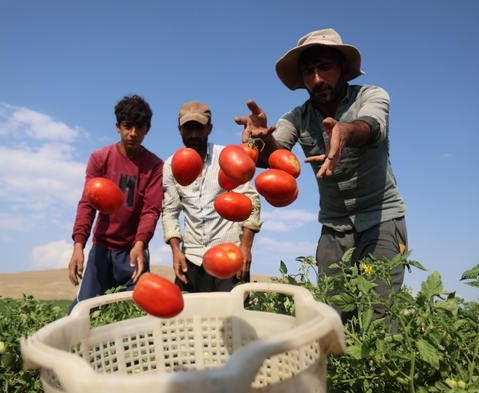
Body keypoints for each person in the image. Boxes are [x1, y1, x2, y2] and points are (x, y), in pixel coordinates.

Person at [234, 28, 408, 325]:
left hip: (381, 219)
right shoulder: (296, 117)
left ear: (344, 68)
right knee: (332, 317)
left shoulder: (371, 95)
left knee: (380, 315)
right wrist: (258, 140)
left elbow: (372, 127)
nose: (317, 79)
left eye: (325, 67)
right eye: (308, 71)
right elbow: (274, 159)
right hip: (333, 226)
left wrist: (344, 131)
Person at [67, 94, 163, 313]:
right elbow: (87, 204)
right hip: (101, 249)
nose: (133, 133)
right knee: (82, 312)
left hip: (132, 252)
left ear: (147, 129)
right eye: (127, 126)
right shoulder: (100, 158)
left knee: (135, 314)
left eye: (139, 127)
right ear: (117, 126)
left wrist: (140, 244)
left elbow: (151, 209)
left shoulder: (155, 166)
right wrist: (78, 246)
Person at [162, 101, 262, 293]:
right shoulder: (170, 166)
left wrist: (246, 248)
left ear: (209, 128)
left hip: (229, 256)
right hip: (191, 259)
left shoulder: (226, 156)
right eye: (188, 128)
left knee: (232, 319)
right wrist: (175, 251)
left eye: (199, 128)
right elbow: (170, 212)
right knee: (188, 319)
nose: (193, 135)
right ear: (179, 130)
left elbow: (251, 201)